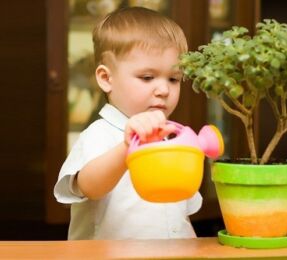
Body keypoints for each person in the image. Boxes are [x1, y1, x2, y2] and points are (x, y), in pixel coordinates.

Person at [54, 7, 202, 240]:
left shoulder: (171, 139)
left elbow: (180, 213)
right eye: (147, 77)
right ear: (106, 78)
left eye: (174, 79)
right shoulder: (100, 134)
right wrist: (128, 147)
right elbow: (90, 186)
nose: (164, 90)